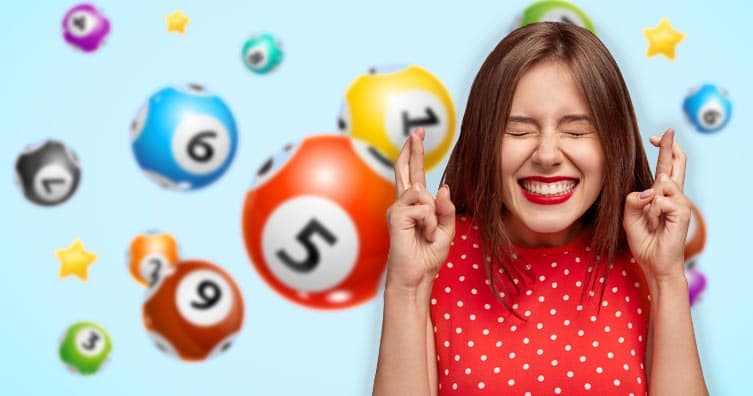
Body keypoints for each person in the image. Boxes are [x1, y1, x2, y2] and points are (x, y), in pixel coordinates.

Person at [373, 22, 708, 395]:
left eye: (577, 131)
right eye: (519, 131)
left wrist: (666, 279)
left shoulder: (646, 263)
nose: (547, 156)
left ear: (613, 143)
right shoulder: (436, 259)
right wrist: (408, 286)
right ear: (484, 141)